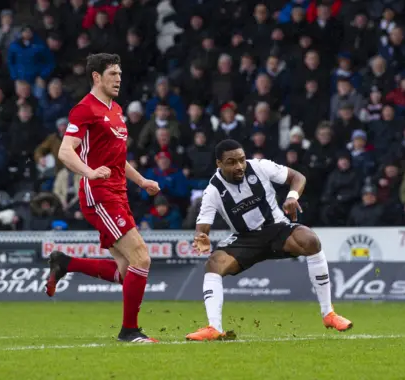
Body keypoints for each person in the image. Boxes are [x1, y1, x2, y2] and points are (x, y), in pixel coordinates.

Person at [44, 53, 161, 343]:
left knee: (126, 271)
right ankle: (129, 331)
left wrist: (141, 180)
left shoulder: (117, 109)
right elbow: (65, 151)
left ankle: (66, 263)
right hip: (99, 194)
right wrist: (89, 172)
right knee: (141, 258)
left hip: (118, 193)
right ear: (97, 77)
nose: (118, 79)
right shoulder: (84, 109)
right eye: (112, 74)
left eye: (120, 74)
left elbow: (119, 159)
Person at [186, 139, 353, 341]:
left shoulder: (259, 166)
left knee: (310, 240)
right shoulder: (213, 191)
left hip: (277, 229)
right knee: (213, 264)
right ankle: (214, 328)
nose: (239, 166)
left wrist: (292, 196)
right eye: (231, 162)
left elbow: (297, 177)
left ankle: (329, 314)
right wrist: (201, 238)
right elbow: (203, 225)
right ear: (219, 164)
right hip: (244, 239)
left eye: (241, 160)